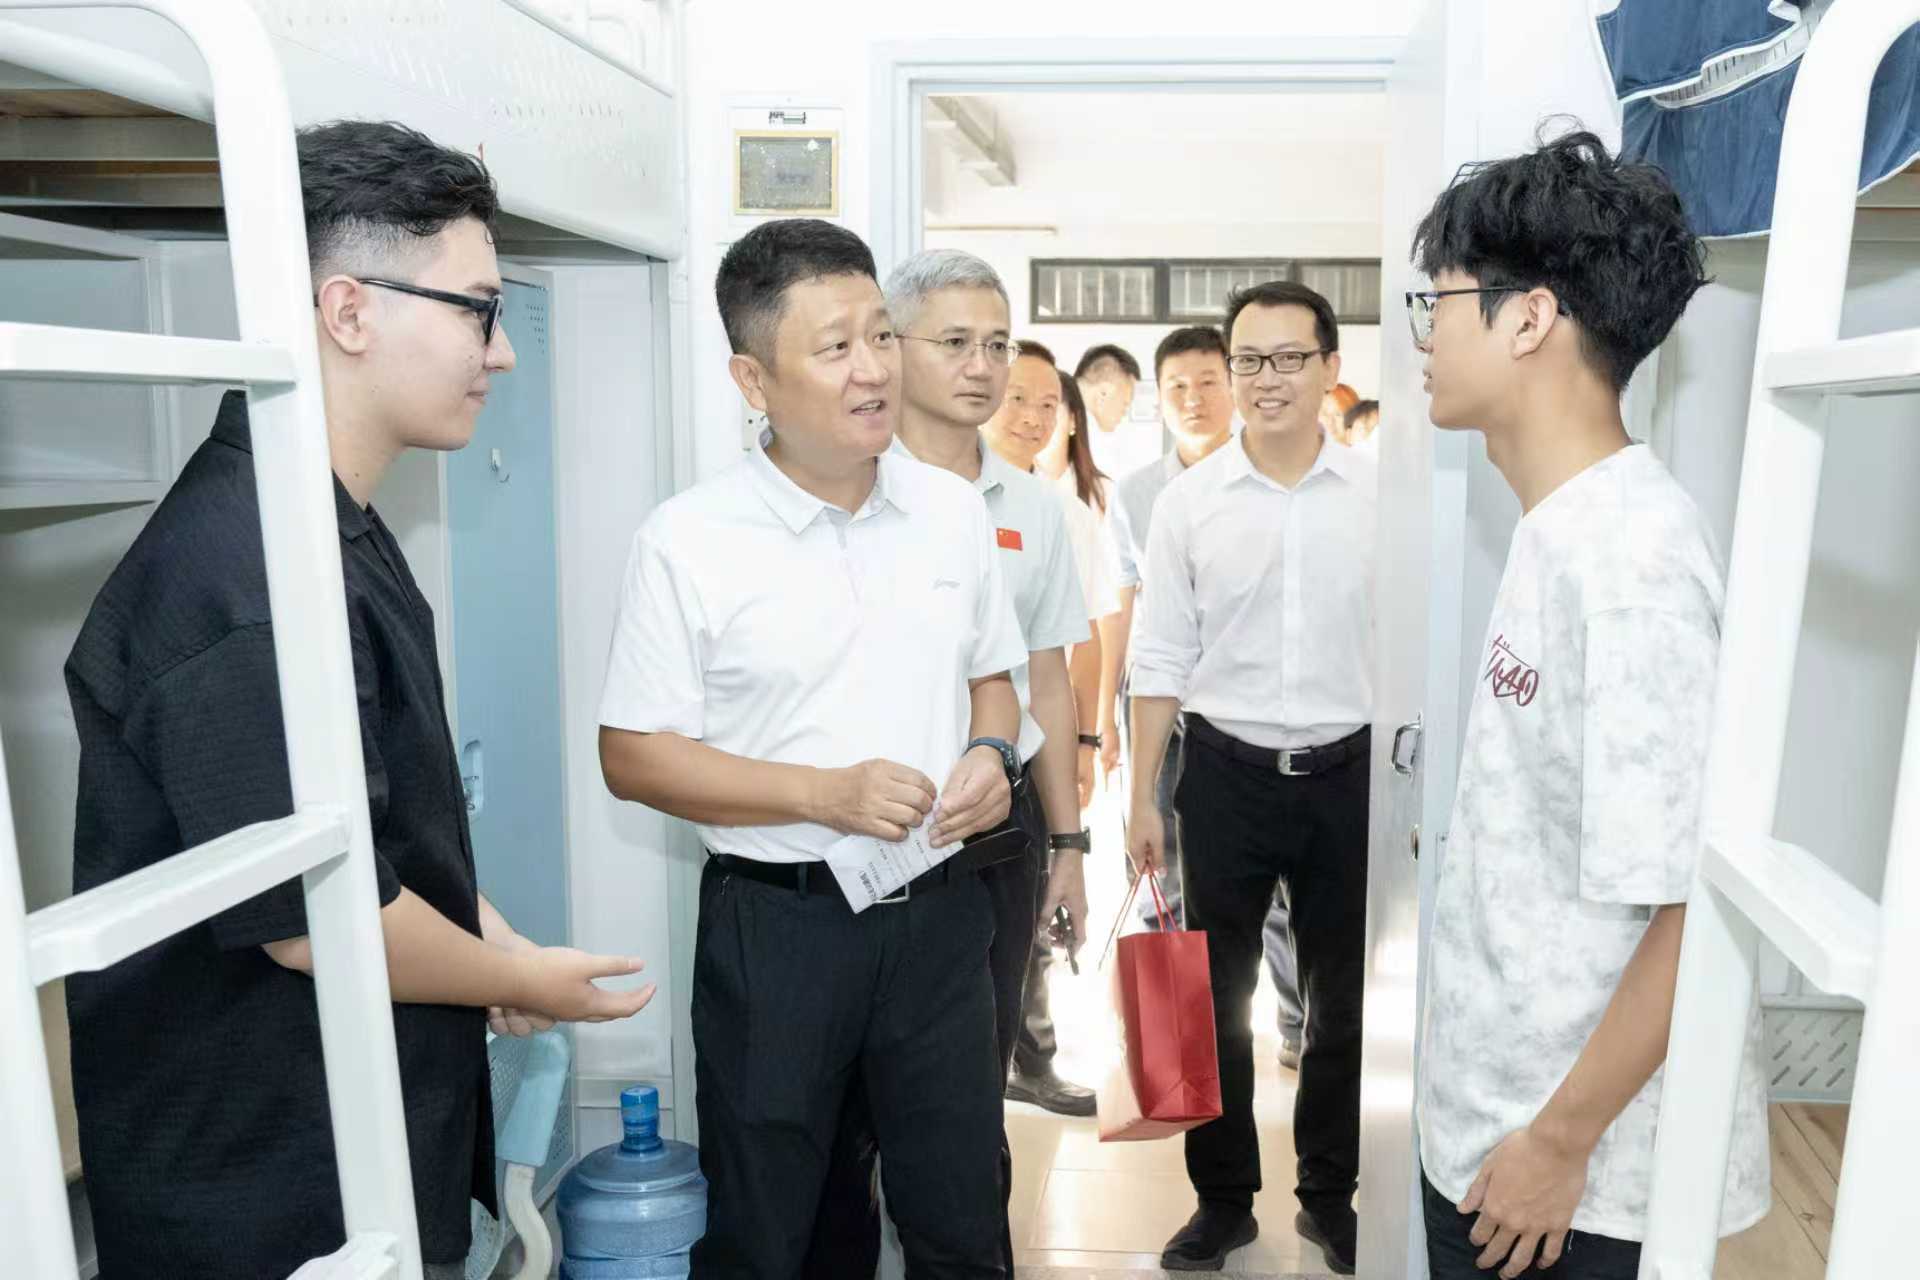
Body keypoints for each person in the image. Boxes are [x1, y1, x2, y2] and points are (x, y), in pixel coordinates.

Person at [62, 120, 656, 1280]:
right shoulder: (240, 580)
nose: (503, 353)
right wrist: (515, 977)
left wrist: (496, 947)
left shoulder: (325, 524)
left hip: (351, 1136)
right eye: (478, 310)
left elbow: (372, 836)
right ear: (348, 312)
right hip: (262, 1189)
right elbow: (309, 920)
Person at [599, 219, 1027, 1279]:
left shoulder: (951, 510)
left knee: (963, 1216)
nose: (874, 369)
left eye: (881, 335)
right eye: (836, 347)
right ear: (753, 379)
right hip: (779, 929)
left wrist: (990, 751)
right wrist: (822, 794)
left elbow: (995, 676)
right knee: (773, 1230)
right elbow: (633, 755)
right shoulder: (688, 540)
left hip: (938, 915)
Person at [1410, 130, 1769, 1280]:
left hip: (1571, 1180)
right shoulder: (1559, 527)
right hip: (1500, 1124)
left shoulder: (1630, 564)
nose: (1424, 337)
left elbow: (1697, 909)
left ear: (1528, 318)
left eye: (1438, 301)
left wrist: (1558, 1143)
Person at [1130, 284, 1375, 1274]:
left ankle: (1329, 1194)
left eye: (1289, 358)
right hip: (1223, 772)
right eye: (1250, 360)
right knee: (1206, 997)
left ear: (1329, 368)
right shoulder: (1188, 504)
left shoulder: (1378, 499)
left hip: (1349, 775)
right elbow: (1158, 657)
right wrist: (1140, 797)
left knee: (1342, 1003)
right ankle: (1223, 1200)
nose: (1268, 378)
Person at [1100, 326, 1305, 1068]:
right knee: (1160, 872)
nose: (1194, 399)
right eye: (1178, 387)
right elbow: (1124, 608)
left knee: (1273, 884)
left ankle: (1294, 1025)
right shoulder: (1136, 493)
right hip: (1164, 708)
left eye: (1208, 381)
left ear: (1234, 384)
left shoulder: (1274, 479)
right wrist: (1107, 721)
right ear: (1159, 398)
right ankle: (1179, 1051)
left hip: (1248, 713)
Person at [1073, 342, 1156, 482]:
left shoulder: (1086, 429)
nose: (1124, 413)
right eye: (1125, 404)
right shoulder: (1085, 436)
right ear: (1103, 393)